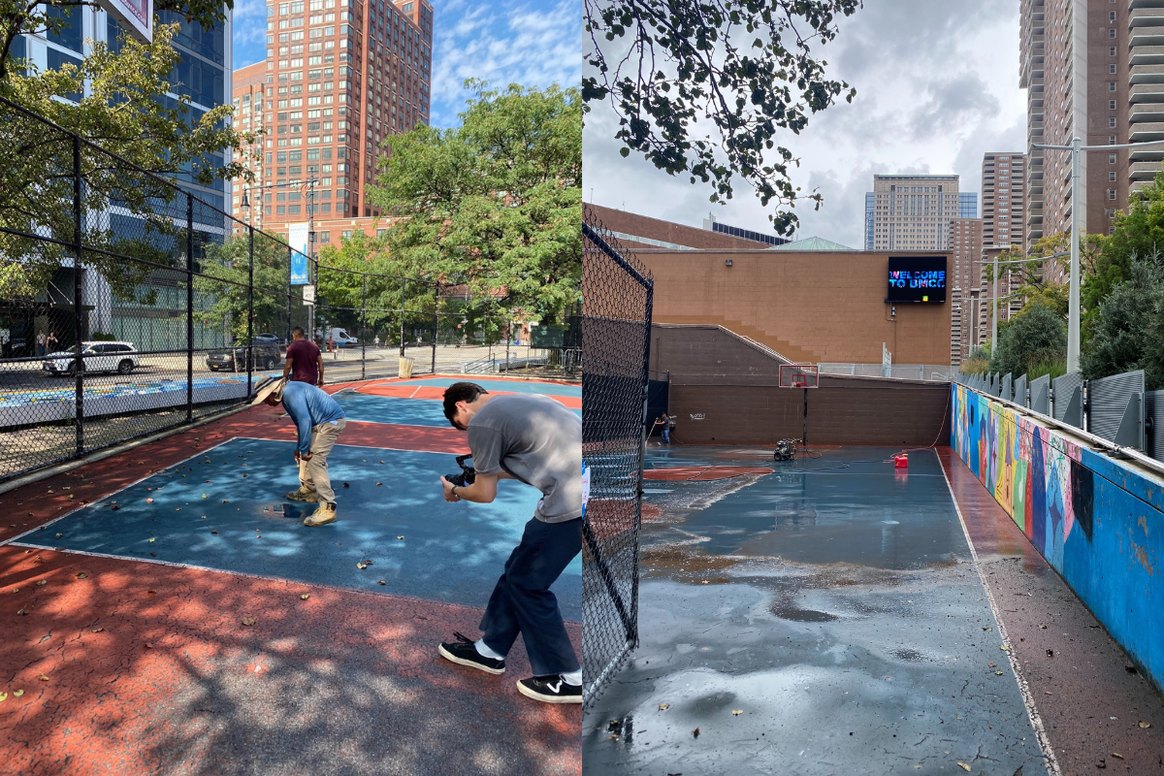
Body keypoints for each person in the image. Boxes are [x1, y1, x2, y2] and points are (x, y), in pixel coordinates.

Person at [436, 382, 583, 704]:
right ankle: (489, 651)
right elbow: (533, 461)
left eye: (462, 428)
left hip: (566, 504)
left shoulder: (482, 421)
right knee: (518, 571)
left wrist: (455, 491)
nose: (467, 434)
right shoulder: (529, 400)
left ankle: (570, 678)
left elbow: (484, 495)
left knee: (528, 585)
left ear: (461, 407)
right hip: (586, 493)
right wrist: (486, 471)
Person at [253, 376, 346, 526]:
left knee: (315, 459)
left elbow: (305, 420)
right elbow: (301, 423)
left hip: (330, 422)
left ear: (272, 392)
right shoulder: (288, 392)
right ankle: (309, 490)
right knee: (306, 454)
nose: (265, 403)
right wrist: (300, 447)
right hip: (319, 424)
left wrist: (303, 449)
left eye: (265, 398)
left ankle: (329, 507)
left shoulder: (290, 393)